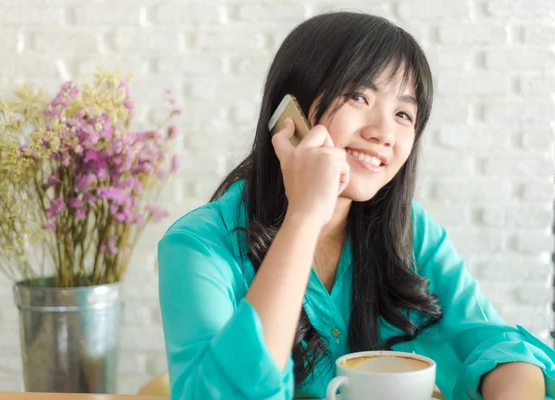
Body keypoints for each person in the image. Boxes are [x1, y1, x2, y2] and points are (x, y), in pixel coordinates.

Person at [157, 12, 555, 400]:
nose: (383, 133)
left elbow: (500, 349)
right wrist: (305, 214)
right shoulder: (199, 245)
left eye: (403, 113)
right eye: (359, 96)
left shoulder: (410, 232)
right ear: (290, 115)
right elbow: (224, 393)